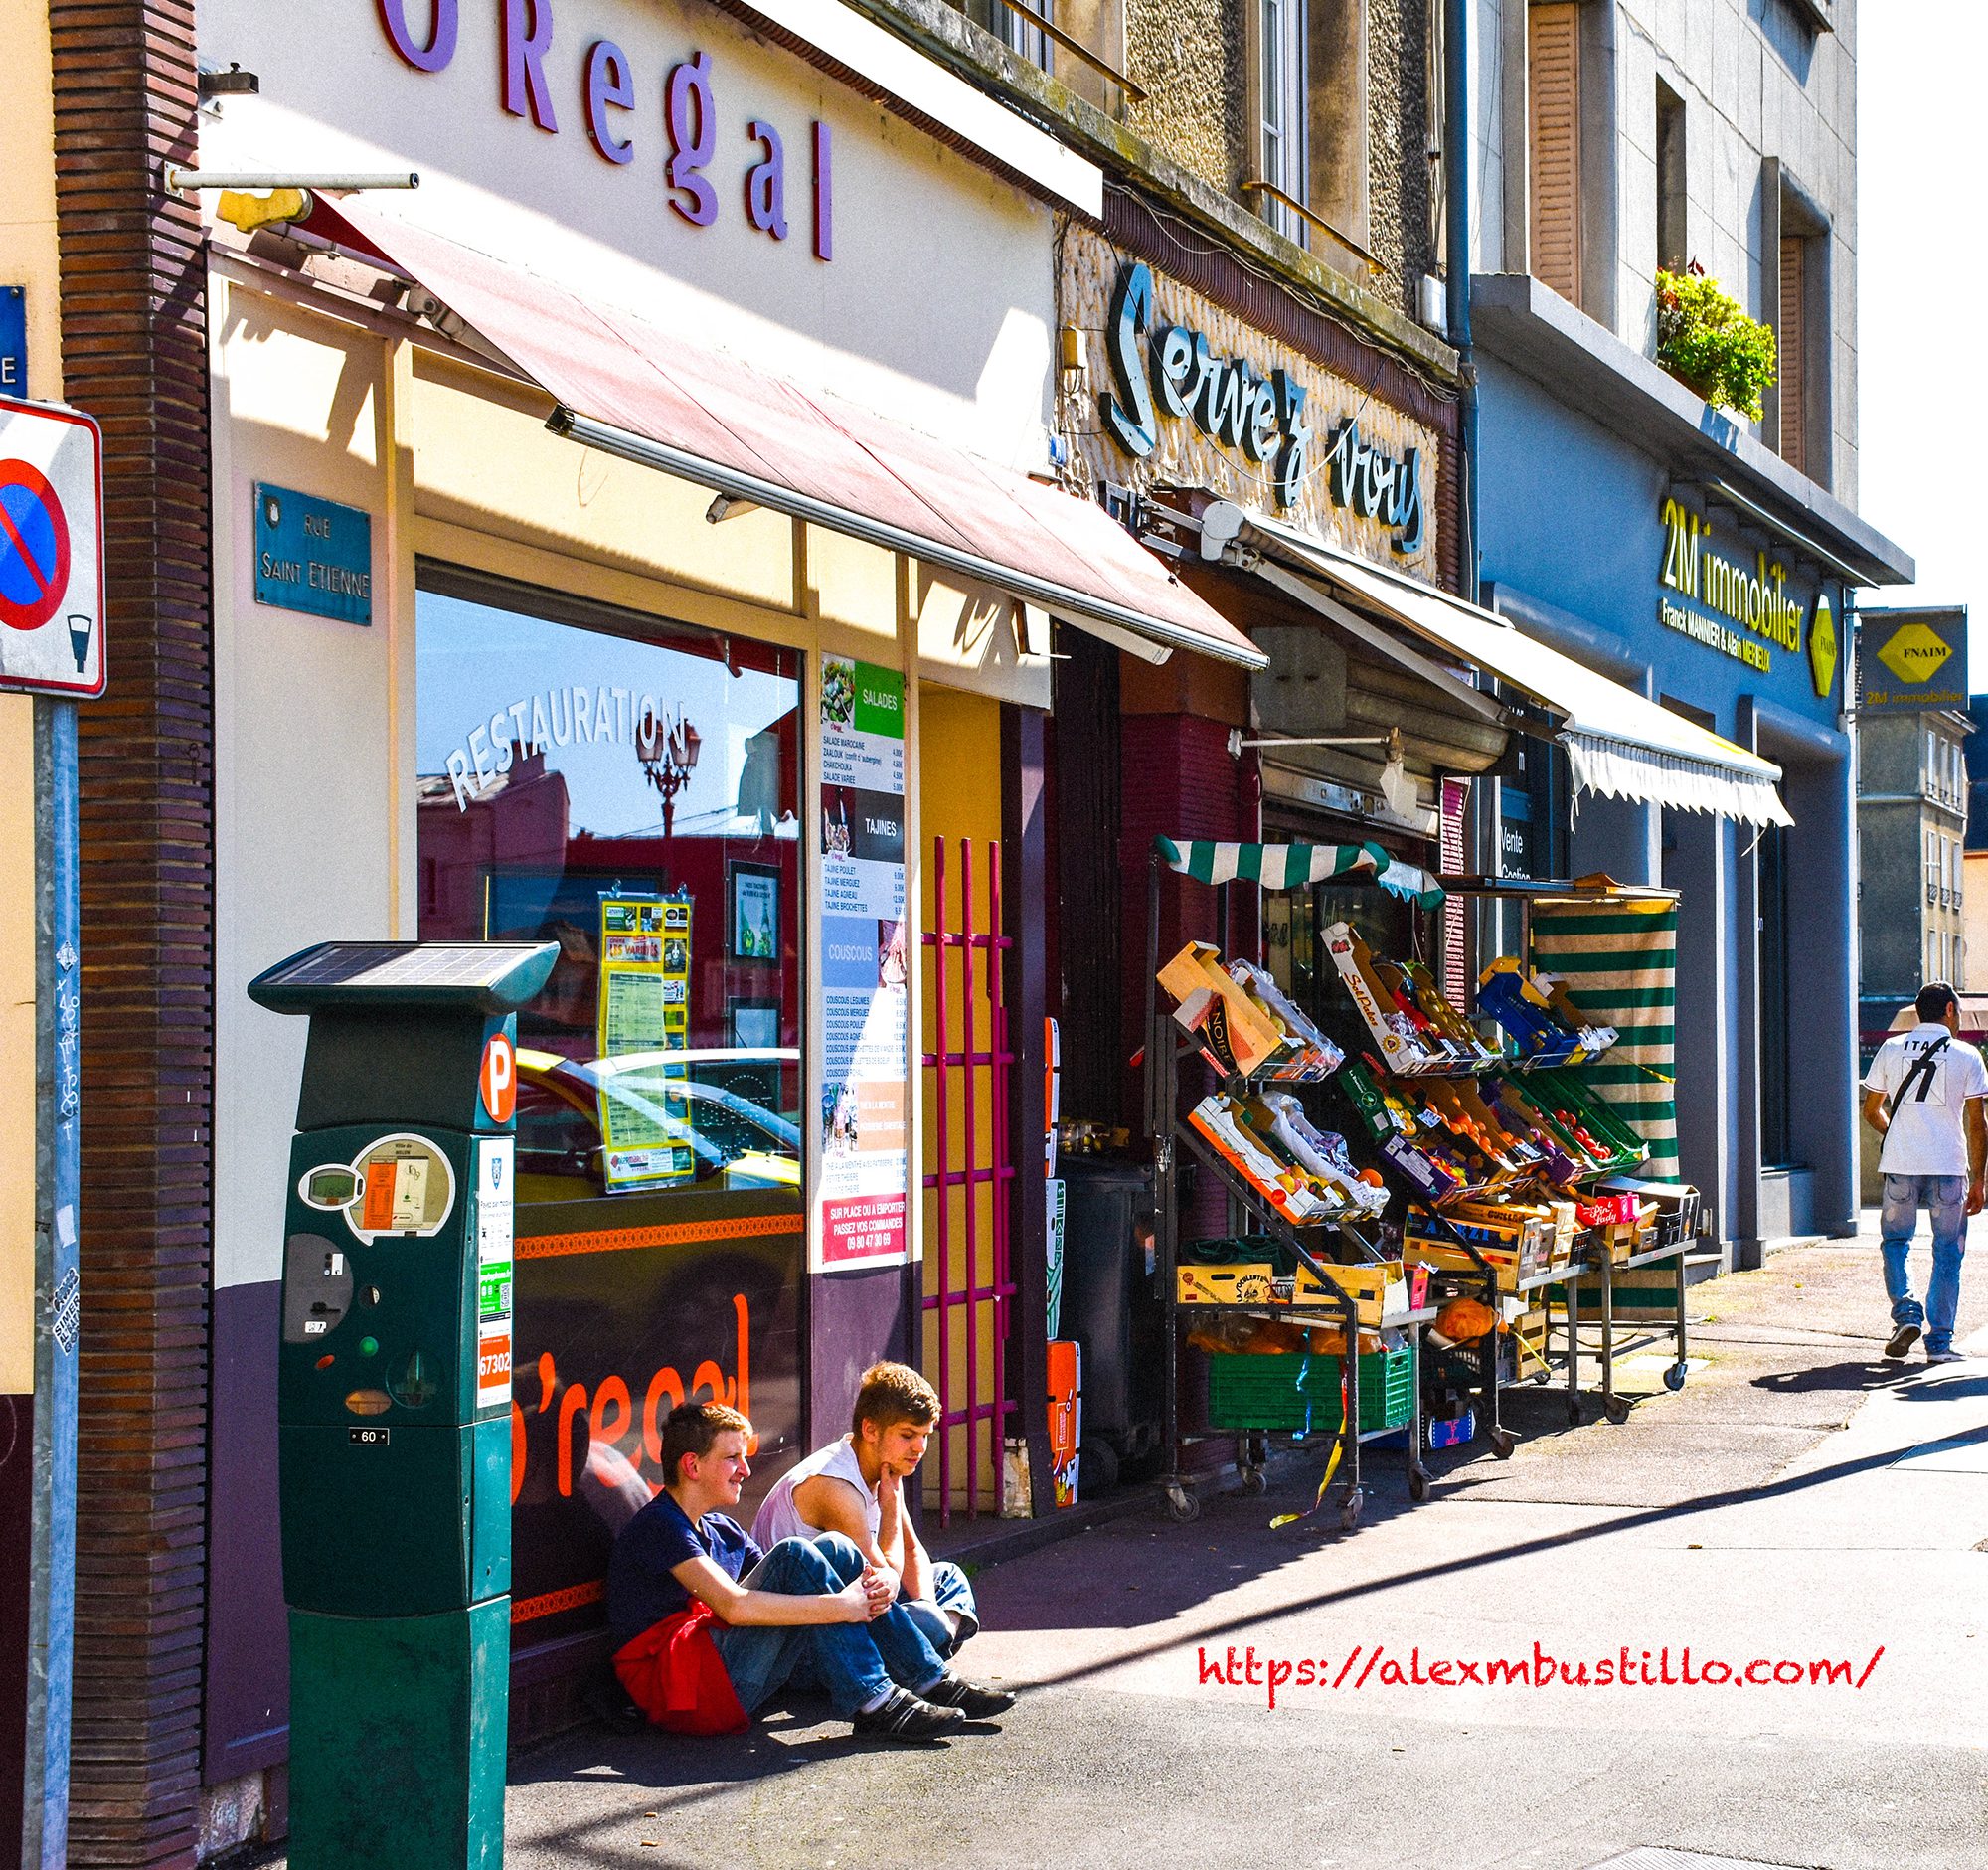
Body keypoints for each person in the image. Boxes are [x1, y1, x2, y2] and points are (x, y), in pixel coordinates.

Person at [606, 1401, 1014, 1741]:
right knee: (796, 1553)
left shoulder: (722, 1529)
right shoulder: (660, 1525)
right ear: (691, 1466)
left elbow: (788, 1588)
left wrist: (876, 1582)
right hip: (693, 1695)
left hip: (735, 1677)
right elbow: (734, 1608)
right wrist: (844, 1607)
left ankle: (928, 1678)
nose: (745, 1470)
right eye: (732, 1458)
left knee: (833, 1547)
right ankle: (877, 1699)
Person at [752, 1361, 980, 1660]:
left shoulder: (884, 1470)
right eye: (908, 1434)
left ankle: (925, 1645)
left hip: (859, 1603)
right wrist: (889, 1509)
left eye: (926, 1435)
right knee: (929, 1620)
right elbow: (887, 1578)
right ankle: (924, 1649)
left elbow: (912, 1551)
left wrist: (925, 1605)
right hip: (806, 1636)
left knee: (949, 1577)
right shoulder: (835, 1486)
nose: (920, 1447)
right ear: (870, 1428)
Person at [1860, 980, 1986, 1363]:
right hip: (1949, 1166)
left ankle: (1907, 1314)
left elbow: (1871, 1110)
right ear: (1949, 1009)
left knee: (1896, 1243)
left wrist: (1896, 1131)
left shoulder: (1891, 1047)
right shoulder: (1967, 1055)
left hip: (1901, 1164)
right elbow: (1978, 1124)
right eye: (1959, 1010)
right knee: (1948, 1251)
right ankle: (1940, 1344)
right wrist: (1980, 1179)